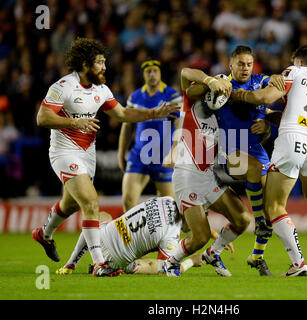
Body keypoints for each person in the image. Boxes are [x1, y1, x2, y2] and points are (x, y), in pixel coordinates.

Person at [32, 38, 180, 277]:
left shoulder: (101, 89)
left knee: (70, 204)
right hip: (64, 152)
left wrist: (155, 112)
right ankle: (101, 264)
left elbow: (122, 114)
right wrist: (73, 121)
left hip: (87, 154)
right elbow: (42, 117)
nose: (105, 67)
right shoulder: (63, 86)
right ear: (84, 64)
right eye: (100, 63)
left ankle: (44, 234)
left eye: (104, 62)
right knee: (91, 203)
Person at [236, 45, 307, 276]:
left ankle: (298, 264)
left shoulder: (294, 72)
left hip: (291, 141)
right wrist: (271, 118)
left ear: (298, 61)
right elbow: (297, 114)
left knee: (274, 207)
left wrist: (240, 95)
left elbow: (266, 96)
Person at [163, 67, 252, 278]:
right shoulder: (190, 104)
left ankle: (214, 253)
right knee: (200, 237)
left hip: (209, 177)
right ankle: (171, 262)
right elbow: (185, 72)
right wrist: (209, 80)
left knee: (243, 219)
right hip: (187, 176)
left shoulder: (220, 118)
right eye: (216, 92)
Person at [213, 45, 285, 276]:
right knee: (253, 172)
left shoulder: (260, 80)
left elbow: (270, 102)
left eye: (249, 64)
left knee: (272, 206)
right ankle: (258, 221)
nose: (245, 68)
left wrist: (267, 124)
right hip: (229, 151)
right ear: (230, 65)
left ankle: (256, 256)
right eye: (241, 64)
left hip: (257, 150)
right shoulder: (222, 85)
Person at [55, 197, 204, 276]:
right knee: (160, 265)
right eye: (197, 221)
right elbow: (168, 268)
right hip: (115, 262)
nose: (194, 227)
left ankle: (72, 263)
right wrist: (191, 260)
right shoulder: (172, 234)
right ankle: (109, 266)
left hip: (102, 236)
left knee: (101, 216)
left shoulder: (167, 199)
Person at [118, 59, 182, 212]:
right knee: (128, 202)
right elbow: (127, 125)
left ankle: (169, 236)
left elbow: (180, 124)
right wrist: (121, 154)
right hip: (139, 155)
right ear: (144, 75)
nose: (152, 75)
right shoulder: (135, 97)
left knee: (169, 208)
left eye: (155, 71)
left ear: (160, 74)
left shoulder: (171, 95)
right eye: (148, 72)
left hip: (163, 157)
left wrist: (174, 151)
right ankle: (133, 236)